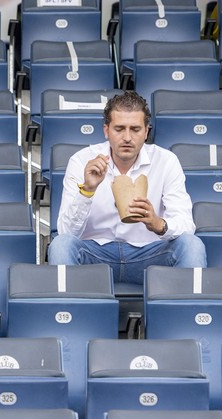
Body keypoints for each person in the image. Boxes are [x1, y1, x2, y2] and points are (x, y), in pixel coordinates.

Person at [48, 91, 206, 284]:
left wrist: (158, 224)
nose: (127, 137)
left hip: (149, 255)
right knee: (60, 245)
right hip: (96, 255)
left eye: (135, 129)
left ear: (146, 132)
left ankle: (187, 312)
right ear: (106, 130)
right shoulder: (82, 160)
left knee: (191, 244)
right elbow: (66, 233)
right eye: (119, 129)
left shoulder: (166, 161)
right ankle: (68, 311)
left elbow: (186, 225)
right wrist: (87, 190)